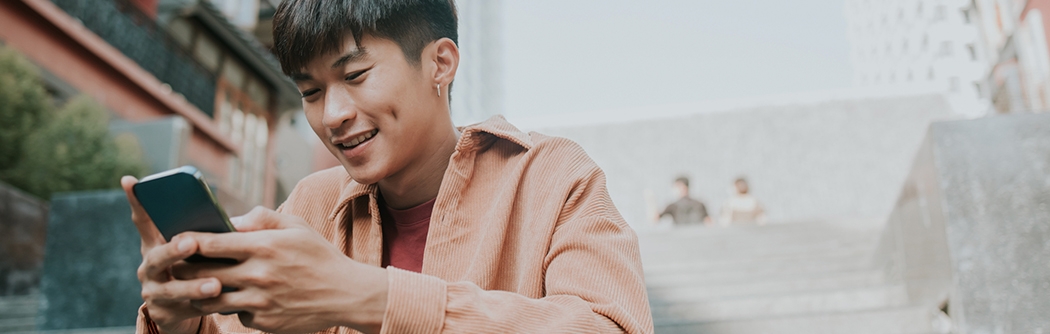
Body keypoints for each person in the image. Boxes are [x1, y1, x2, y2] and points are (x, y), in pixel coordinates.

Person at [123, 1, 654, 333]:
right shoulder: (311, 204)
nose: (332, 115)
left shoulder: (551, 176)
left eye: (355, 75)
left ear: (439, 63)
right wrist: (183, 320)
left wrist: (363, 296)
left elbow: (608, 327)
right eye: (310, 91)